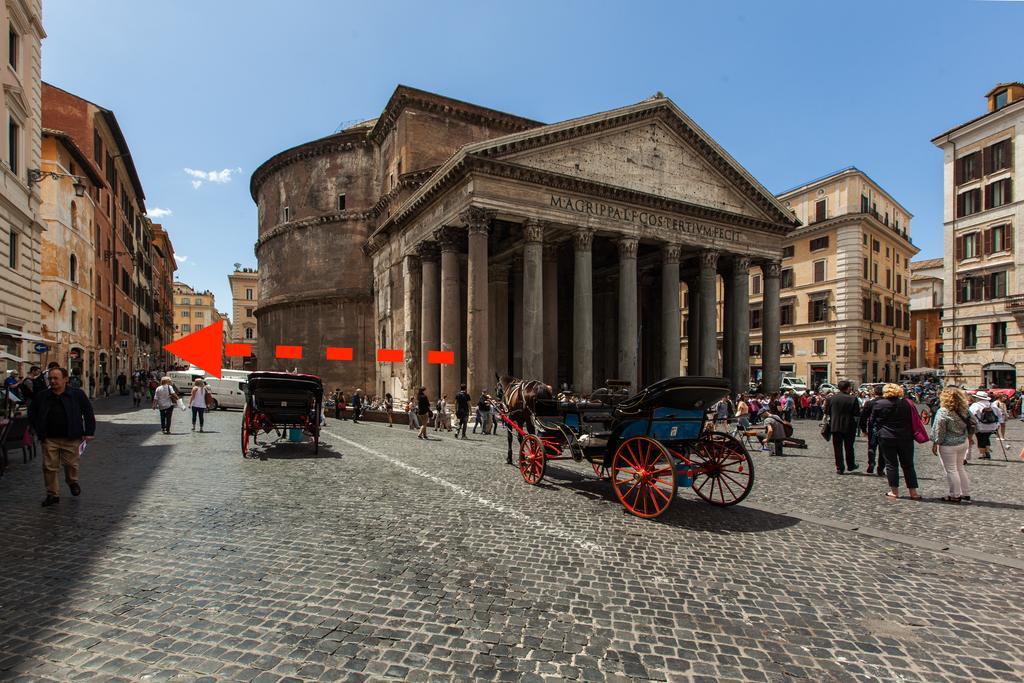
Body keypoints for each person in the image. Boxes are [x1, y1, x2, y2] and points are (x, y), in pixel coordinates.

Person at [27, 366, 96, 507]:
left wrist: (89, 432)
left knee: (71, 464)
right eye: (50, 378)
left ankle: (72, 481)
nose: (52, 381)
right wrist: (38, 429)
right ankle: (53, 494)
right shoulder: (43, 396)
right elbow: (32, 412)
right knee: (49, 467)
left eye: (55, 378)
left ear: (65, 379)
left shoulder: (77, 394)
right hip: (49, 438)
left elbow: (88, 412)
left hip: (71, 437)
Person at [870, 383, 920, 500]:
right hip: (906, 437)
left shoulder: (879, 404)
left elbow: (872, 421)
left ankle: (894, 491)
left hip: (886, 437)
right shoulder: (908, 403)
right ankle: (913, 492)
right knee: (908, 464)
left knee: (891, 464)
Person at [930, 388, 974, 503]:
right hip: (963, 442)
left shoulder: (943, 411)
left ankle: (955, 495)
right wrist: (969, 435)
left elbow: (939, 430)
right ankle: (966, 493)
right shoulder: (965, 410)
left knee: (951, 469)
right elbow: (974, 423)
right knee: (960, 468)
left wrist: (936, 443)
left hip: (948, 444)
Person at [826, 380, 861, 474]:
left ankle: (839, 467)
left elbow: (827, 412)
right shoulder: (853, 399)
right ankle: (850, 465)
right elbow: (857, 413)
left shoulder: (831, 398)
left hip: (835, 426)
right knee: (849, 447)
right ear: (848, 388)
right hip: (849, 426)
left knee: (837, 448)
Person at [859, 384, 886, 476]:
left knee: (871, 447)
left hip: (873, 427)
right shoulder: (887, 403)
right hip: (884, 429)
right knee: (883, 450)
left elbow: (863, 417)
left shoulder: (869, 403)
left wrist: (863, 429)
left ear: (874, 393)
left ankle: (871, 463)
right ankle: (880, 469)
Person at [968, 391, 1003, 461]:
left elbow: (970, 415)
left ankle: (983, 454)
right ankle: (987, 452)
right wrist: (998, 423)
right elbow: (999, 414)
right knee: (986, 438)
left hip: (980, 426)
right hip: (992, 426)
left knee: (980, 439)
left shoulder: (975, 405)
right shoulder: (992, 405)